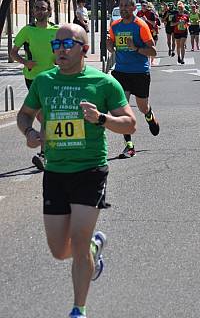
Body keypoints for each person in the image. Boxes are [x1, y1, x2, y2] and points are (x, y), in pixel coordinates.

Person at [16, 23, 136, 318]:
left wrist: (102, 118)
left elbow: (130, 123)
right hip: (55, 172)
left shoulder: (104, 83)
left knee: (79, 239)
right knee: (60, 250)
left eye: (67, 44)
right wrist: (29, 133)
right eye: (56, 45)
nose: (60, 50)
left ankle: (78, 309)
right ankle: (93, 250)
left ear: (84, 48)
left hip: (90, 170)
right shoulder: (43, 81)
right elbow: (24, 114)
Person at [107, 0, 159, 159]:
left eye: (127, 6)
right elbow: (112, 45)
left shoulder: (140, 25)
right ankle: (129, 146)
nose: (123, 9)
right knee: (123, 109)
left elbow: (153, 51)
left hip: (139, 72)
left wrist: (136, 47)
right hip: (121, 72)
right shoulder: (115, 25)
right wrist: (109, 44)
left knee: (142, 107)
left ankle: (149, 116)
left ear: (134, 8)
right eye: (121, 5)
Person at [11, 0, 59, 171]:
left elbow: (63, 51)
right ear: (33, 11)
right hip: (33, 78)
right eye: (37, 8)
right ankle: (46, 152)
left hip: (52, 77)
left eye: (43, 8)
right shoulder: (27, 30)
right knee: (43, 115)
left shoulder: (56, 30)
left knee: (45, 115)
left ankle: (45, 153)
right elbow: (13, 53)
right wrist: (26, 63)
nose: (40, 11)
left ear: (49, 11)